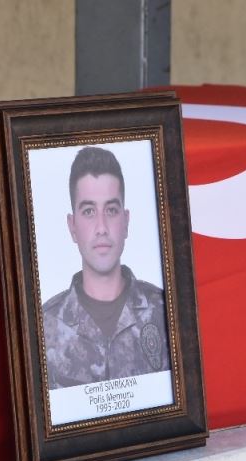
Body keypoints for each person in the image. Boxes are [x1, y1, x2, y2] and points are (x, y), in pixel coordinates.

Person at [43, 146, 170, 390]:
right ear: (72, 226)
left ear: (126, 222)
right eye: (89, 211)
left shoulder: (166, 311)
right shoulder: (43, 327)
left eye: (111, 210)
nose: (101, 227)